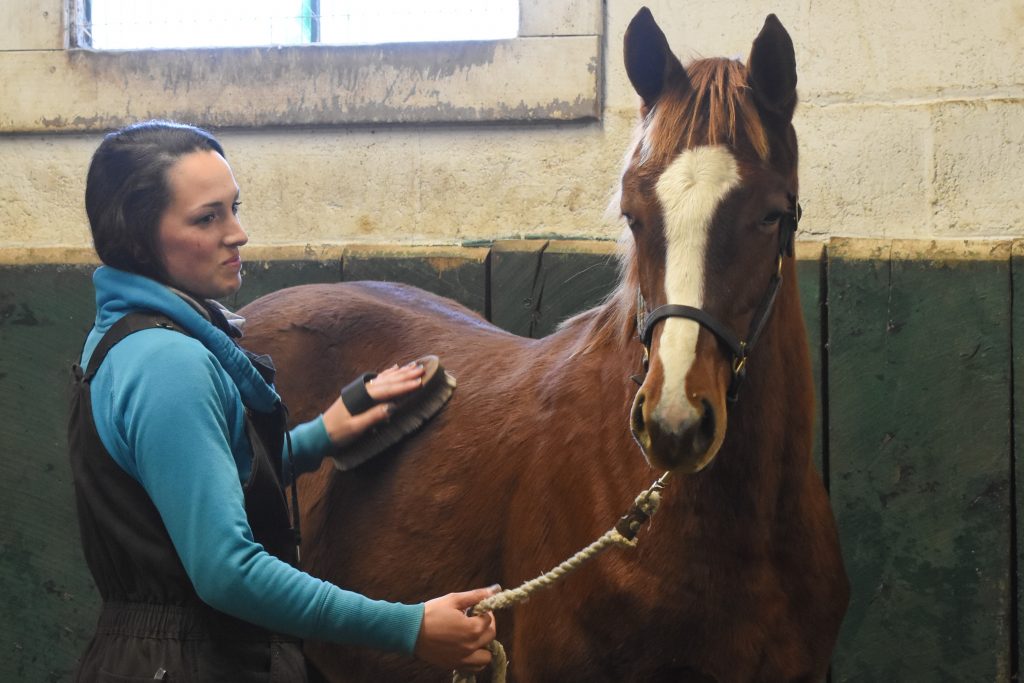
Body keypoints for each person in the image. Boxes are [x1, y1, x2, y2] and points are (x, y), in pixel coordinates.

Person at [69, 120, 497, 682]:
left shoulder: (125, 336)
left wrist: (321, 436)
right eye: (207, 217)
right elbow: (228, 571)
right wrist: (409, 627)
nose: (237, 233)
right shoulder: (168, 364)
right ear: (138, 237)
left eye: (234, 208)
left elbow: (191, 481)